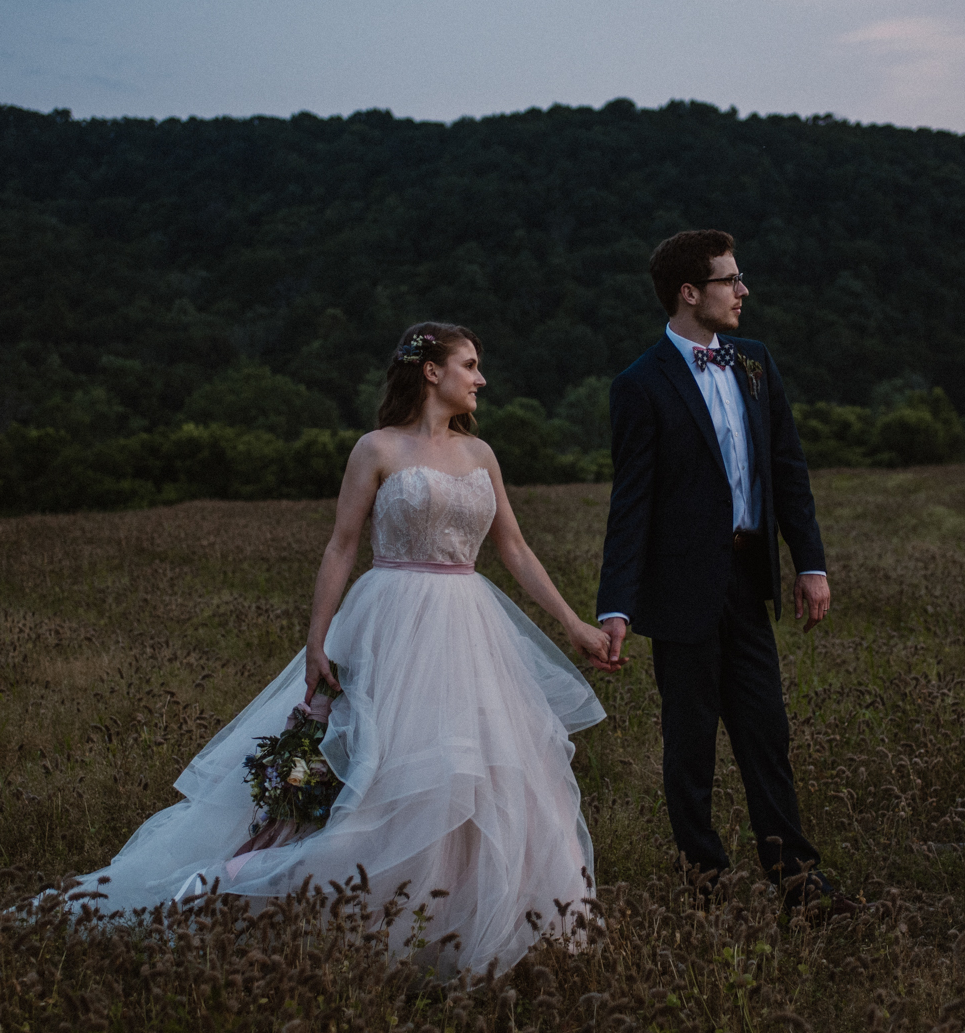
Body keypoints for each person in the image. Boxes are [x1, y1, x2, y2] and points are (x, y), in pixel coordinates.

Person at [66, 323, 619, 975]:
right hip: (391, 620)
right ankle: (327, 905)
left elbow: (515, 549)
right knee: (383, 771)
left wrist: (574, 624)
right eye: (470, 364)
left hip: (469, 626)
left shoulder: (482, 456)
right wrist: (317, 639)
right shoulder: (376, 448)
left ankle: (457, 922)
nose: (482, 378)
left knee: (477, 770)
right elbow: (341, 544)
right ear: (432, 372)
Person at [596, 229, 853, 916]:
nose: (743, 291)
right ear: (690, 292)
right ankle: (704, 885)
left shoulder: (756, 363)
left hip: (749, 580)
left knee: (766, 731)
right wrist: (615, 605)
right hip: (680, 592)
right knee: (690, 746)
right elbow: (632, 505)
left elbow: (788, 472)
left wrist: (811, 564)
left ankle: (798, 883)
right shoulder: (639, 384)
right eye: (730, 280)